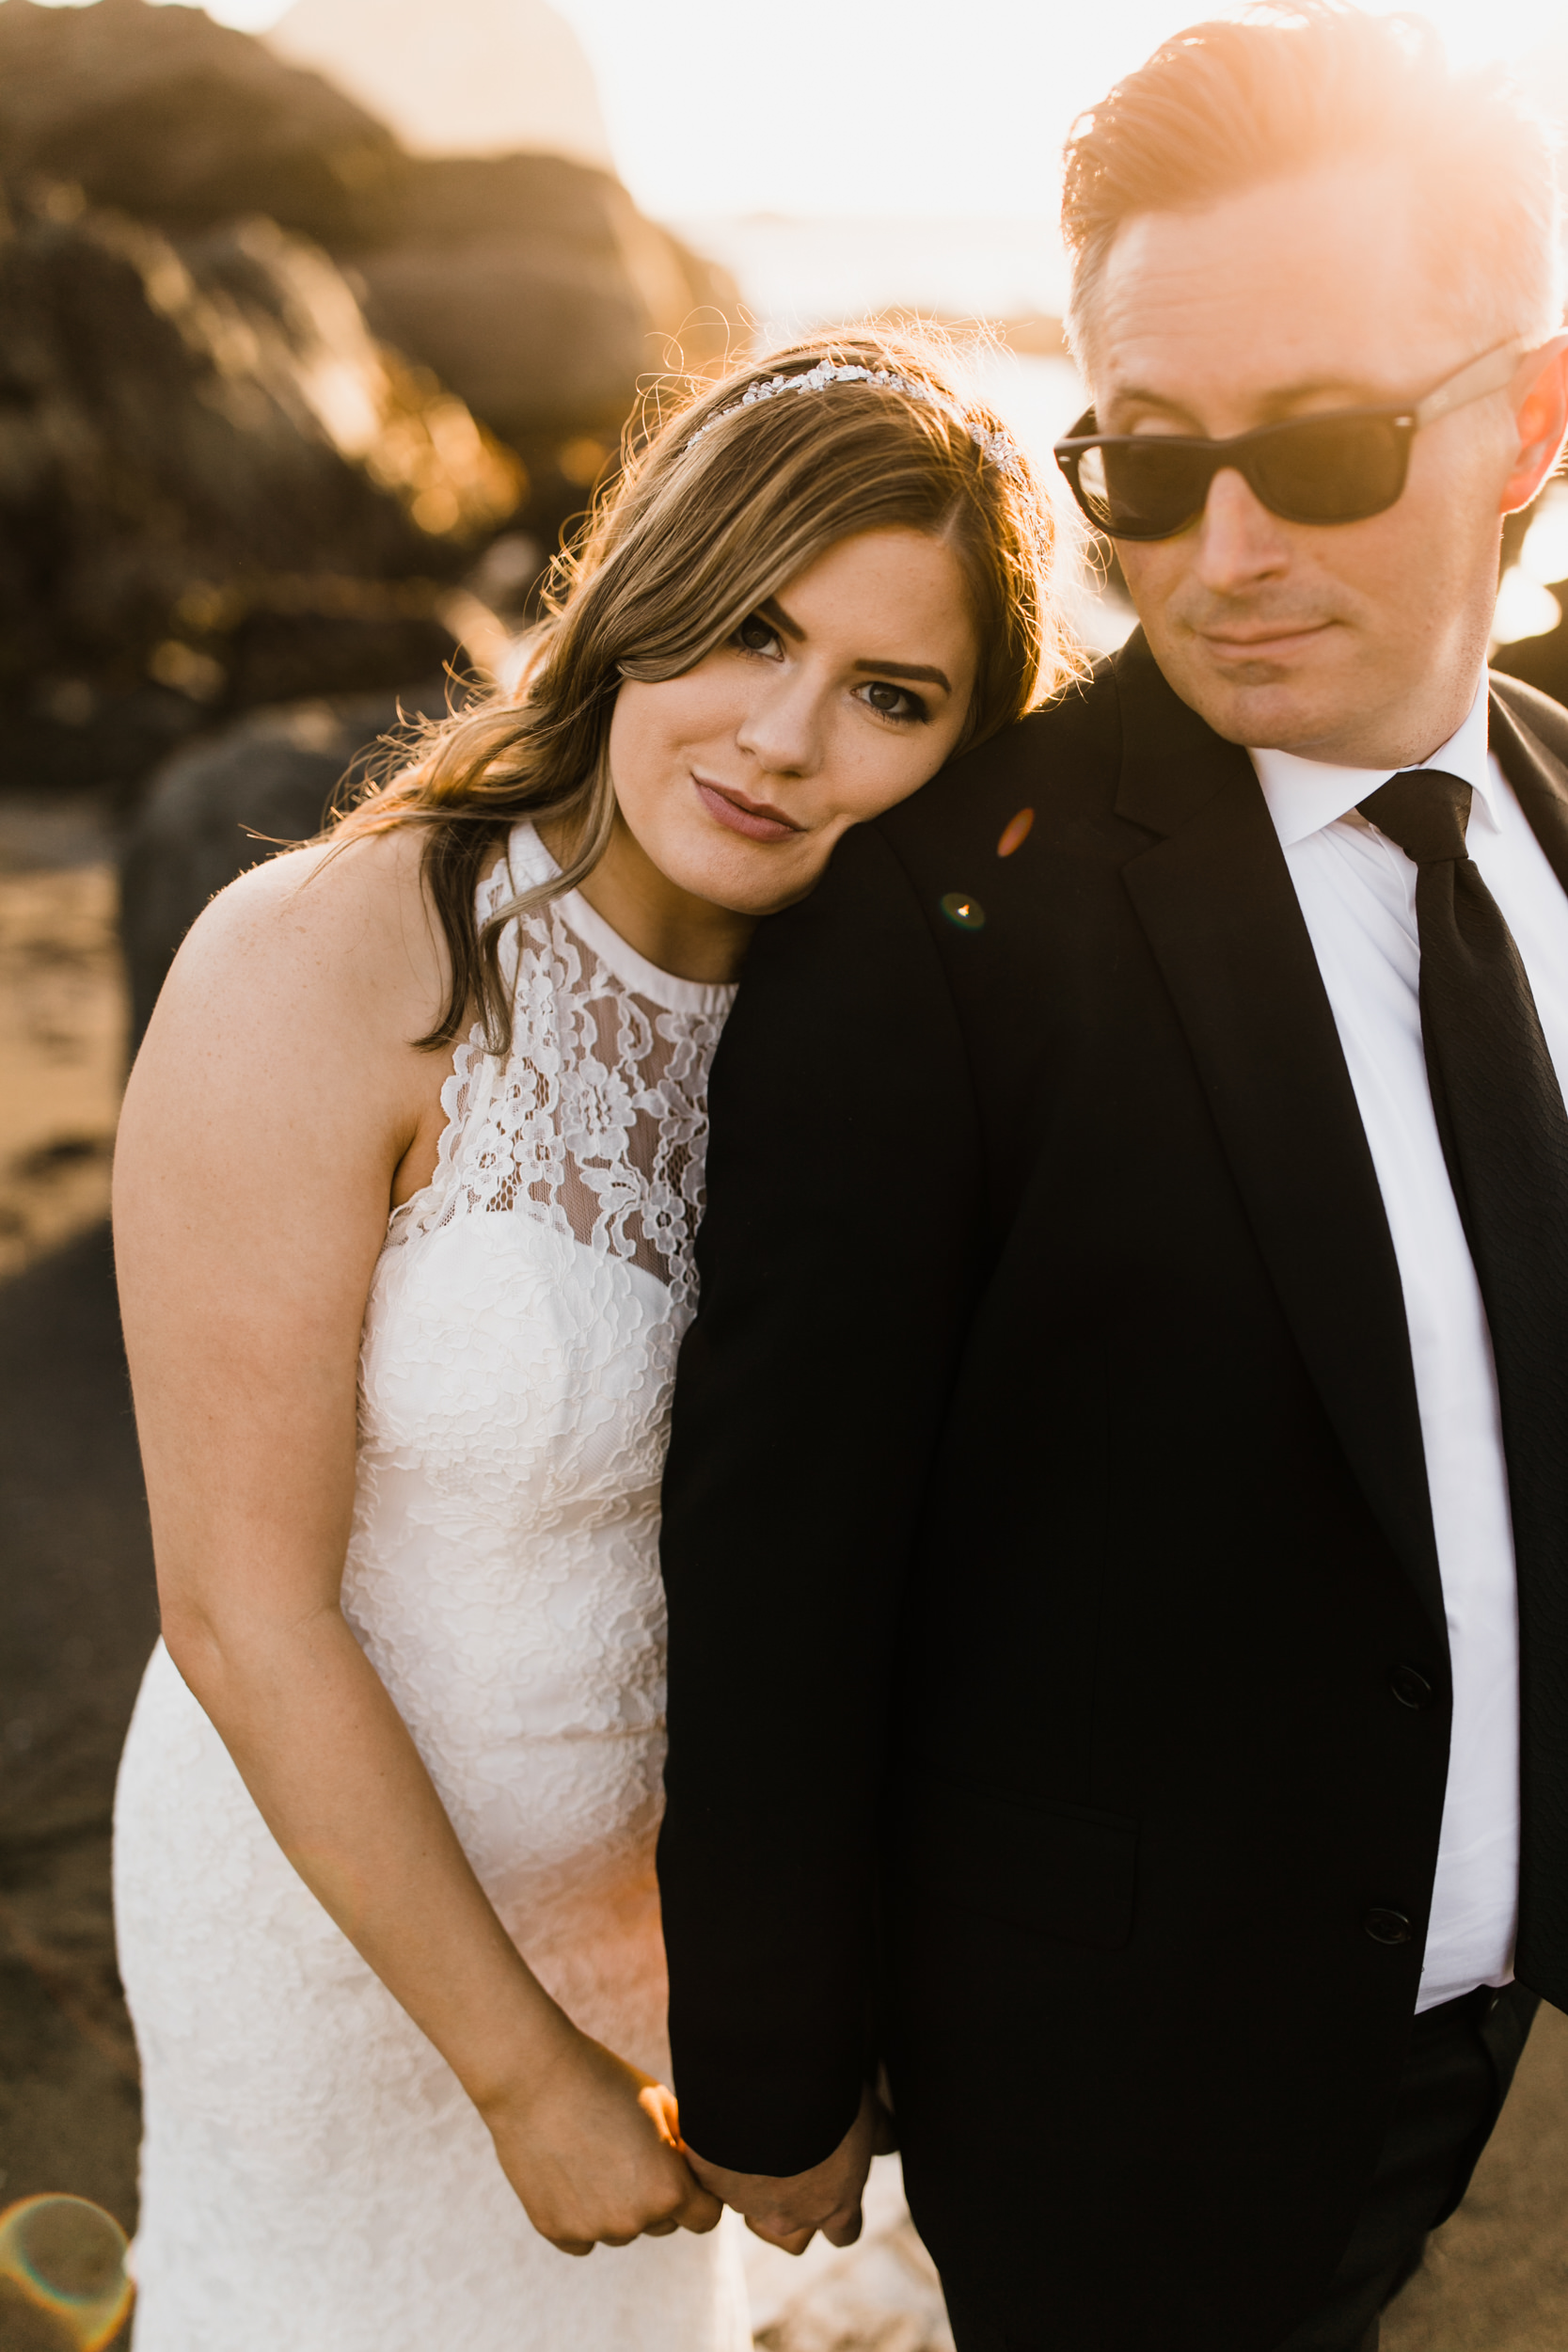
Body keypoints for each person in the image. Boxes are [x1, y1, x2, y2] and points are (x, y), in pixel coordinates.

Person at [656, 10, 1568, 2350]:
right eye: (1145, 470)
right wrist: (770, 2062)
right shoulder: (933, 925)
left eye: (1328, 446)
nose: (1225, 551)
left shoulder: (1560, 801)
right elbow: (783, 1536)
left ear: (1529, 429)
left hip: (1493, 1995)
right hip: (1128, 2061)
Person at [110, 327, 1064, 2351]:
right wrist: (522, 2070)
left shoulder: (910, 1045)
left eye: (890, 694)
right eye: (742, 629)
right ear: (639, 592)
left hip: (663, 1935)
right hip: (333, 1932)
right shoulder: (333, 954)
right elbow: (240, 1610)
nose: (784, 735)